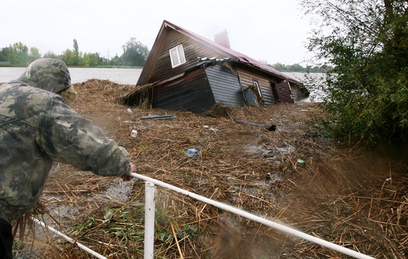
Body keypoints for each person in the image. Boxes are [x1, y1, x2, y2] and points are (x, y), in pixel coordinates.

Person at [0, 58, 136, 258]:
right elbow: (84, 144)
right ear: (56, 86)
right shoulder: (42, 101)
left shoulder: (3, 91)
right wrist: (123, 163)